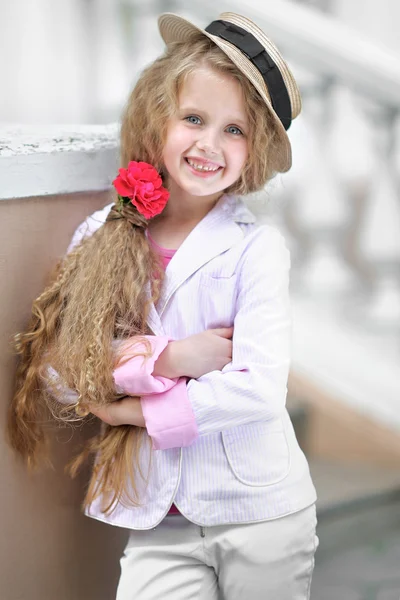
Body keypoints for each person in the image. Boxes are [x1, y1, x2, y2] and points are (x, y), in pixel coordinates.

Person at [8, 11, 318, 600]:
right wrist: (172, 356)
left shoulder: (256, 250)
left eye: (235, 130)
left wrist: (134, 411)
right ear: (158, 121)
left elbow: (256, 389)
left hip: (258, 512)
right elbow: (61, 370)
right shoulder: (102, 236)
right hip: (157, 518)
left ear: (253, 153)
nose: (209, 144)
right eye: (194, 119)